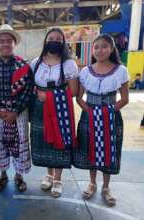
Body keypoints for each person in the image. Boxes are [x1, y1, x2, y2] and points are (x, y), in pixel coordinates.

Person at [73, 34, 129, 206]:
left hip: (111, 117)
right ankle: (92, 183)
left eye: (104, 46)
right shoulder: (85, 71)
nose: (100, 50)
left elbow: (125, 98)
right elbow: (80, 98)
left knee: (109, 149)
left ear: (112, 49)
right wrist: (90, 112)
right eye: (96, 47)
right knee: (91, 147)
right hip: (89, 116)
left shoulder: (121, 70)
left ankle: (106, 187)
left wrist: (108, 112)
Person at [30, 28, 78, 198]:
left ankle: (58, 179)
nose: (54, 41)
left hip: (60, 107)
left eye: (58, 39)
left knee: (59, 140)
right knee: (45, 141)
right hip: (39, 107)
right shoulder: (36, 62)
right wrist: (37, 95)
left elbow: (73, 91)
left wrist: (49, 96)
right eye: (51, 38)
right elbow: (30, 85)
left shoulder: (68, 64)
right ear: (45, 41)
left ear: (63, 43)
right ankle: (49, 174)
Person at [0, 24, 34, 192]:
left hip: (18, 113)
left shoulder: (23, 65)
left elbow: (28, 91)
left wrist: (15, 111)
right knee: (2, 144)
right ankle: (3, 175)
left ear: (14, 44)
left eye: (9, 41)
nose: (5, 44)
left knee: (19, 144)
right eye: (2, 41)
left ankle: (19, 176)